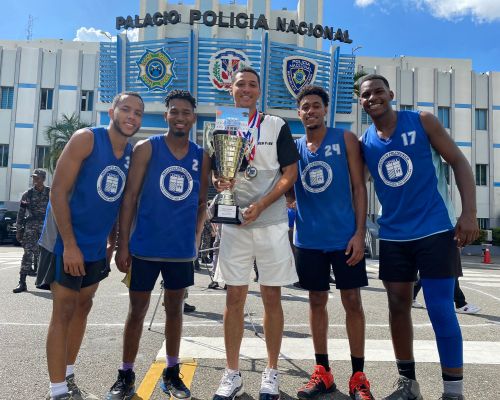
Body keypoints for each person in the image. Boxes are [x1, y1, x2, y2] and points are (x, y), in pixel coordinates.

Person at [359, 74, 479, 400]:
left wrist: (469, 213)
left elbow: (458, 161)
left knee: (441, 308)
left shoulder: (422, 120)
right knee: (398, 307)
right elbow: (354, 185)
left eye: (378, 92)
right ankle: (408, 385)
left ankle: (453, 392)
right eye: (366, 95)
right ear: (361, 102)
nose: (372, 98)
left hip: (435, 229)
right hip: (394, 235)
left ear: (391, 94)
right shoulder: (365, 142)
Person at [35, 92, 144, 400]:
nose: (132, 116)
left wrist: (117, 242)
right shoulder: (86, 139)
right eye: (126, 109)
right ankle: (57, 392)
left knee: (84, 306)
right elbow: (57, 191)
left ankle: (67, 376)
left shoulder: (129, 154)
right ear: (112, 111)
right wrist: (70, 245)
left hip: (95, 245)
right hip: (65, 240)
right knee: (64, 308)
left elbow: (119, 201)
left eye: (138, 112)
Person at [106, 90, 210, 400]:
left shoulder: (201, 156)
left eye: (186, 112)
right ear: (166, 115)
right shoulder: (146, 148)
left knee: (175, 310)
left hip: (179, 251)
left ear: (193, 117)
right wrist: (123, 245)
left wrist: (193, 237)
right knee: (137, 311)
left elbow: (202, 201)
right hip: (144, 247)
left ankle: (172, 372)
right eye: (174, 111)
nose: (180, 117)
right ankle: (125, 374)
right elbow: (130, 197)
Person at [212, 66, 299, 400]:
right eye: (240, 85)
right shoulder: (225, 123)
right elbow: (218, 172)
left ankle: (271, 371)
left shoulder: (275, 124)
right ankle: (232, 374)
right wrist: (220, 183)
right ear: (231, 90)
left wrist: (262, 204)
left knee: (271, 297)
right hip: (234, 223)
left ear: (259, 91)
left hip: (271, 221)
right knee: (234, 297)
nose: (245, 89)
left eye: (251, 85)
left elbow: (289, 173)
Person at [292, 86, 374, 399]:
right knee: (316, 301)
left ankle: (358, 376)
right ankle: (322, 371)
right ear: (298, 113)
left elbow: (358, 187)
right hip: (309, 238)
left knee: (352, 301)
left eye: (315, 106)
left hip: (344, 237)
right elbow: (287, 186)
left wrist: (358, 231)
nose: (310, 111)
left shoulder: (346, 139)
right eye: (305, 107)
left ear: (325, 110)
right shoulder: (294, 146)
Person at [13, 168, 50, 293]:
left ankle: (46, 282)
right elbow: (21, 213)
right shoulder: (27, 194)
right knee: (27, 253)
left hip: (46, 227)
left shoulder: (51, 193)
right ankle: (22, 282)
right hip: (30, 227)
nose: (35, 180)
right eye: (34, 178)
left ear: (43, 179)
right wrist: (19, 230)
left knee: (45, 254)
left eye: (37, 178)